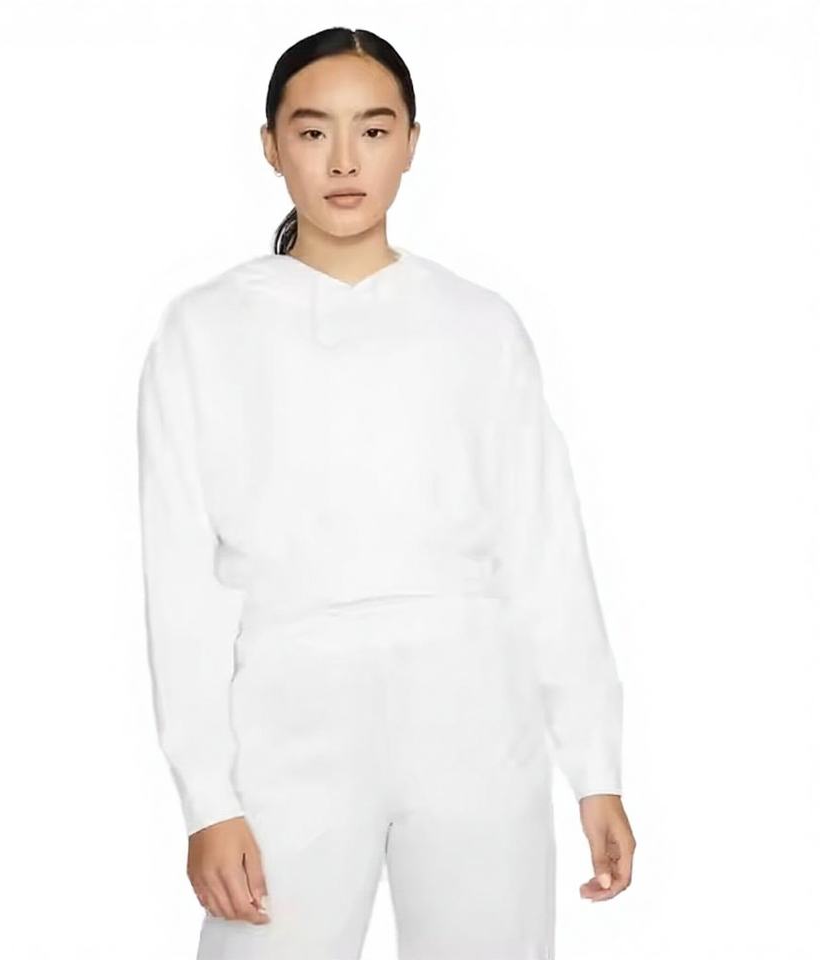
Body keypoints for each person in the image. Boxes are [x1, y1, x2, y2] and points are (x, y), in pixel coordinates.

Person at [136, 25, 636, 960]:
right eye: (312, 130)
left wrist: (595, 768)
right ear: (271, 146)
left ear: (411, 142)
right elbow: (179, 577)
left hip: (474, 715)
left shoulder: (479, 325)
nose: (344, 160)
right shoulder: (204, 331)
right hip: (290, 718)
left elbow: (545, 549)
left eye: (372, 130)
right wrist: (208, 799)